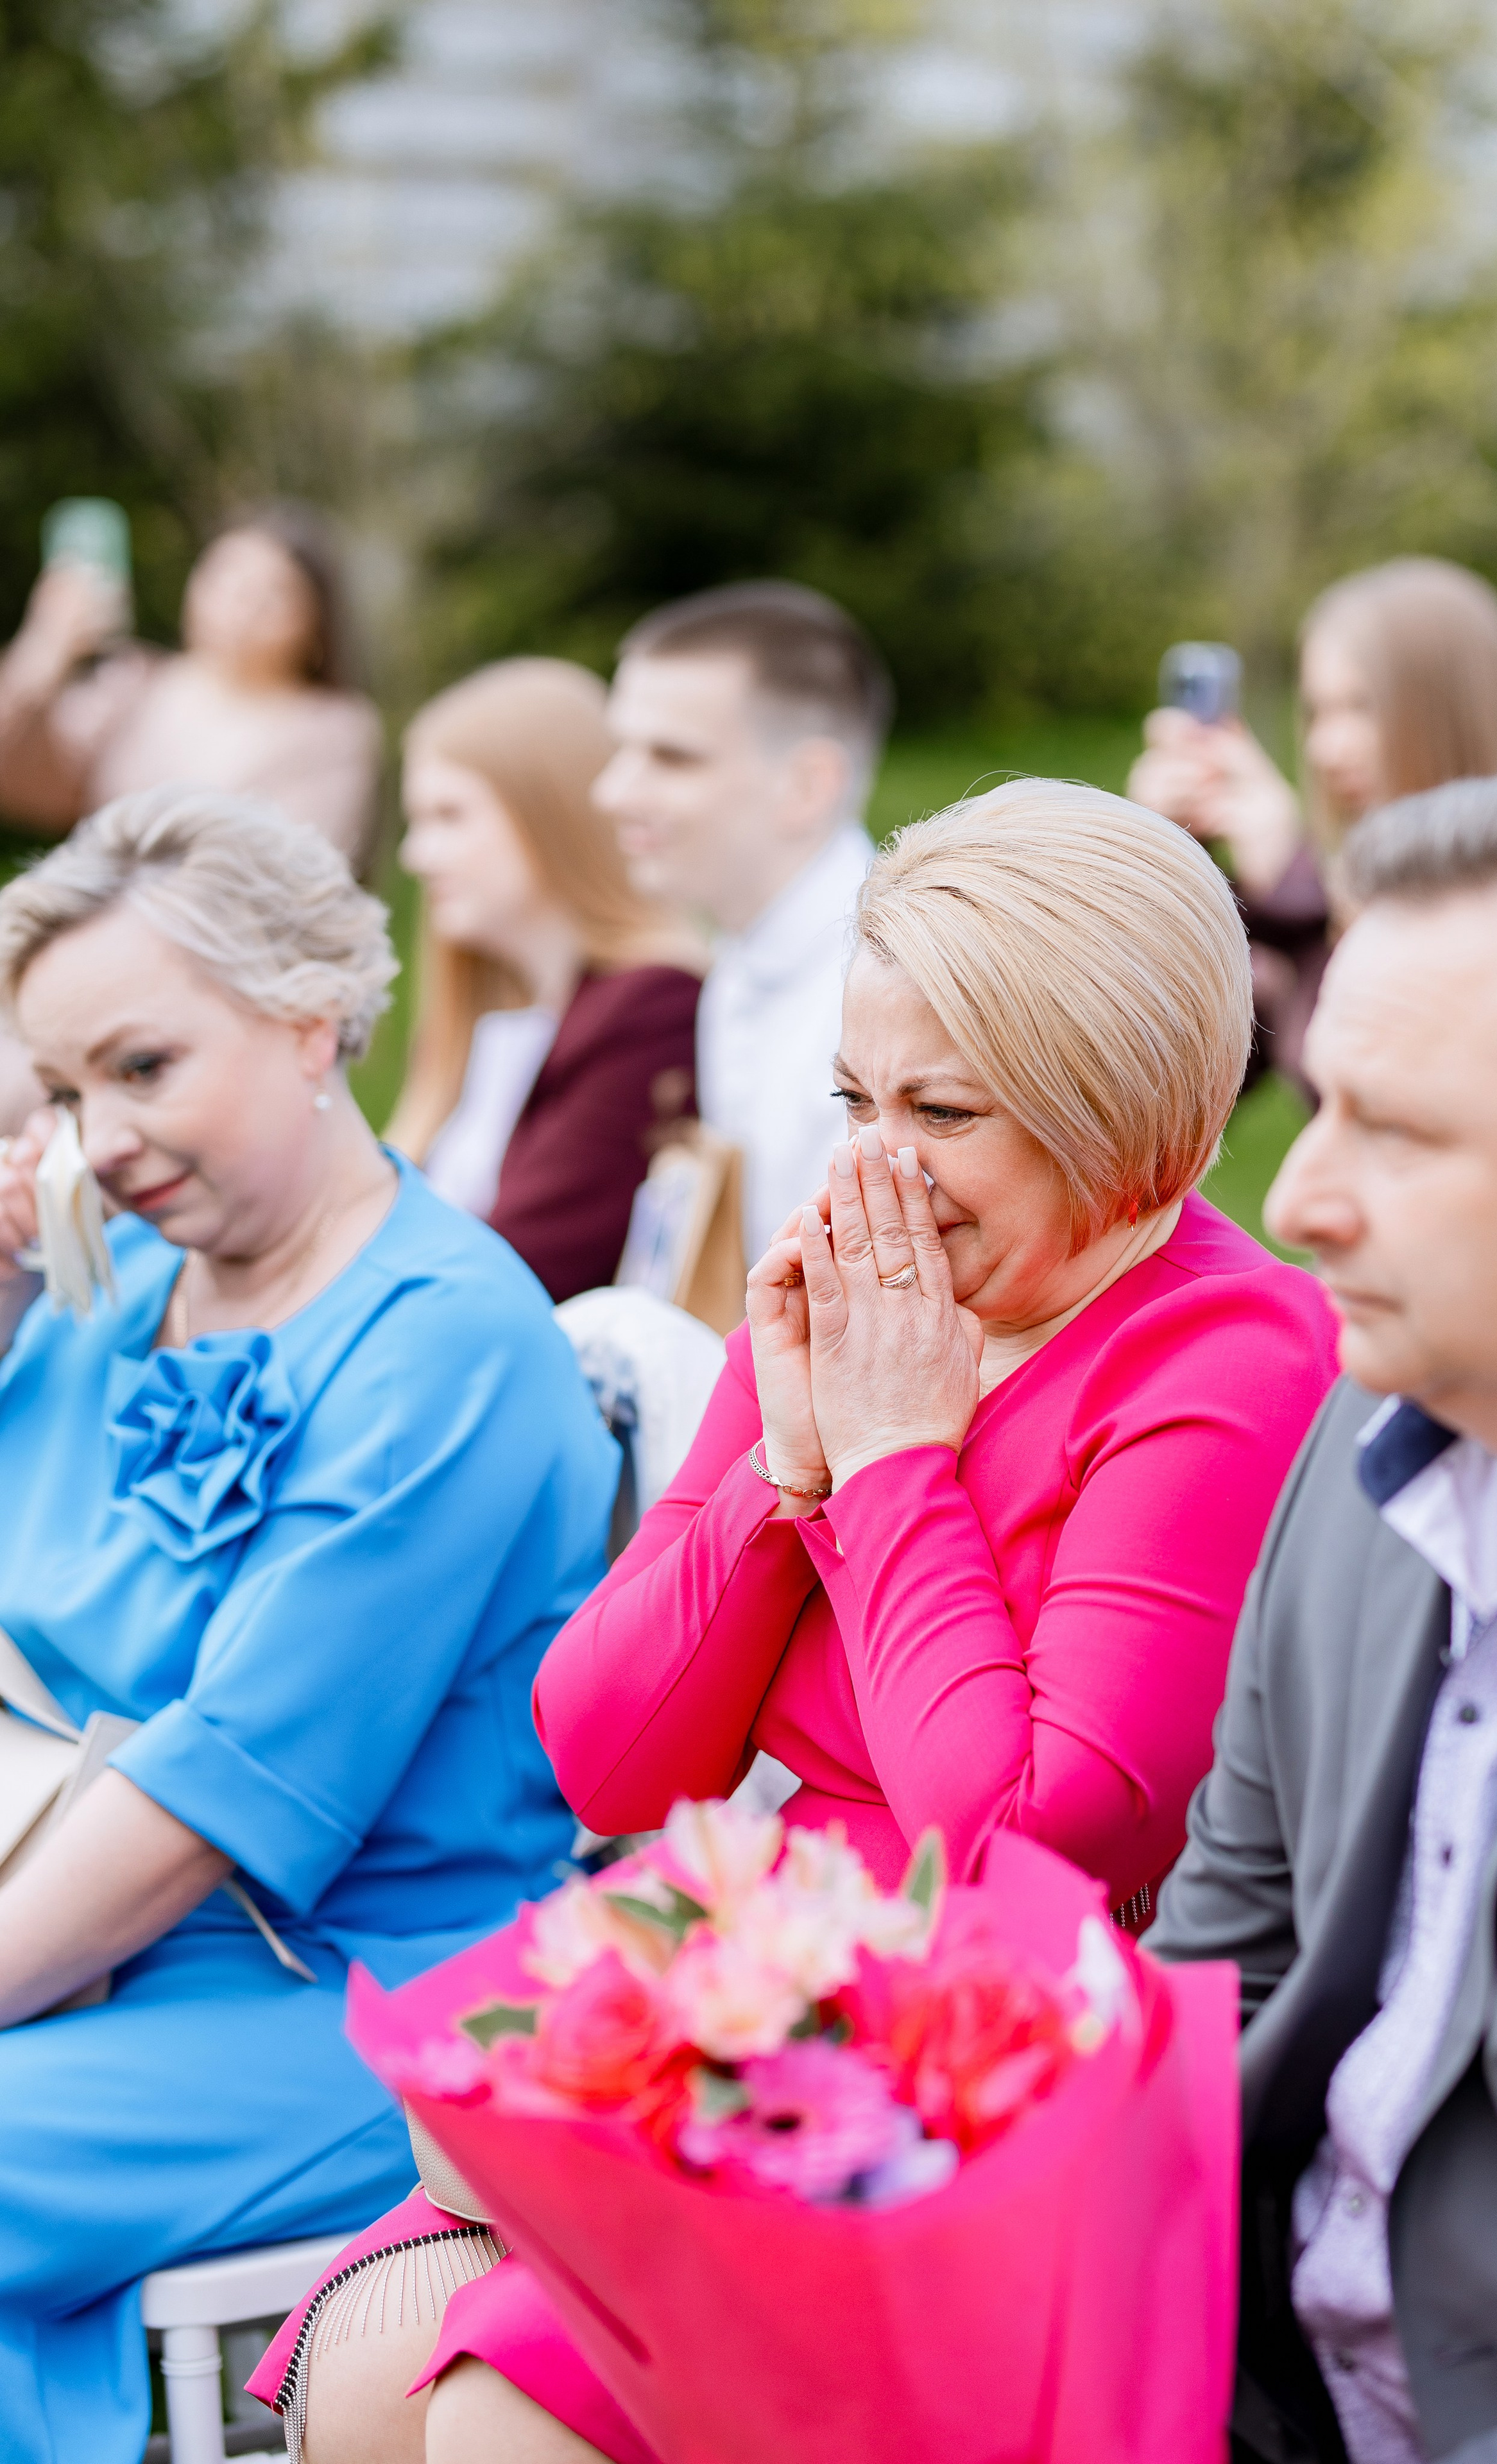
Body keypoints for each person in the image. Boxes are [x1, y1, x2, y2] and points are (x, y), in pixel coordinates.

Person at [270, 777, 1340, 2464]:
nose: (878, 1168)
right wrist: (786, 1464)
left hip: (1024, 2057)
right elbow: (610, 1760)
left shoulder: (1228, 1361)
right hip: (783, 1961)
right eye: (856, 1097)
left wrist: (901, 1460)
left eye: (945, 1110)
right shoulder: (865, 1287)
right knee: (371, 2354)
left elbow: (1020, 1838)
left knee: (492, 2410)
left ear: (1127, 1109)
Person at [0, 787, 619, 2464]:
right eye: (65, 1093)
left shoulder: (445, 1348)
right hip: (85, 1929)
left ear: (310, 1013)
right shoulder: (109, 1287)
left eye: (142, 1069)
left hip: (356, 2001)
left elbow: (213, 1802)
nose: (102, 1141)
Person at [1150, 754, 1497, 2464]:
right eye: (1318, 1102)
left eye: (1403, 1132)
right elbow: (1218, 1964)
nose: (1296, 1202)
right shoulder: (1360, 1461)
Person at [1128, 556, 1497, 1094]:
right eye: (1318, 713)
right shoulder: (1329, 898)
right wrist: (1164, 862)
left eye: (1361, 708)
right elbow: (1161, 1092)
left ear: (1452, 710)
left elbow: (1397, 1077)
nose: (1325, 748)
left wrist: (1292, 883)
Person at [592, 578, 890, 1268]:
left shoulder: (886, 994)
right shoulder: (742, 960)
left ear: (805, 786)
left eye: (671, 757)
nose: (611, 793)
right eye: (621, 750)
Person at [387, 659, 705, 1302]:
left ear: (550, 812)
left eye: (450, 815)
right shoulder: (488, 1021)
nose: (415, 856)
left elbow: (519, 1269)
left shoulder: (652, 1009)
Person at [0, 500, 382, 868]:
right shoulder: (134, 684)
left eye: (271, 594)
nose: (241, 605)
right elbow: (20, 784)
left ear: (316, 627)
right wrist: (42, 654)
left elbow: (299, 874)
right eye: (226, 577)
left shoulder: (333, 730)